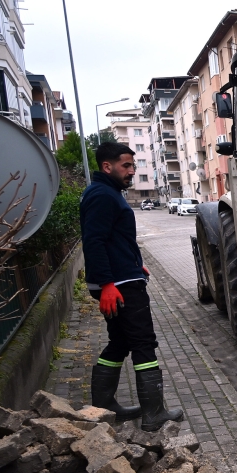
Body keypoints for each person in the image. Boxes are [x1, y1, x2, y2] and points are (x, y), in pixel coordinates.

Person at [81, 142, 182, 432]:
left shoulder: (106, 193)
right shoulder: (102, 195)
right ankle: (154, 413)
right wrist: (108, 284)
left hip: (123, 278)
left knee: (121, 341)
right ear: (107, 166)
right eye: (126, 165)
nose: (131, 171)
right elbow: (94, 242)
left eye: (133, 165)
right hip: (120, 286)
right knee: (143, 343)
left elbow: (117, 239)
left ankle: (104, 406)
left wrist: (136, 264)